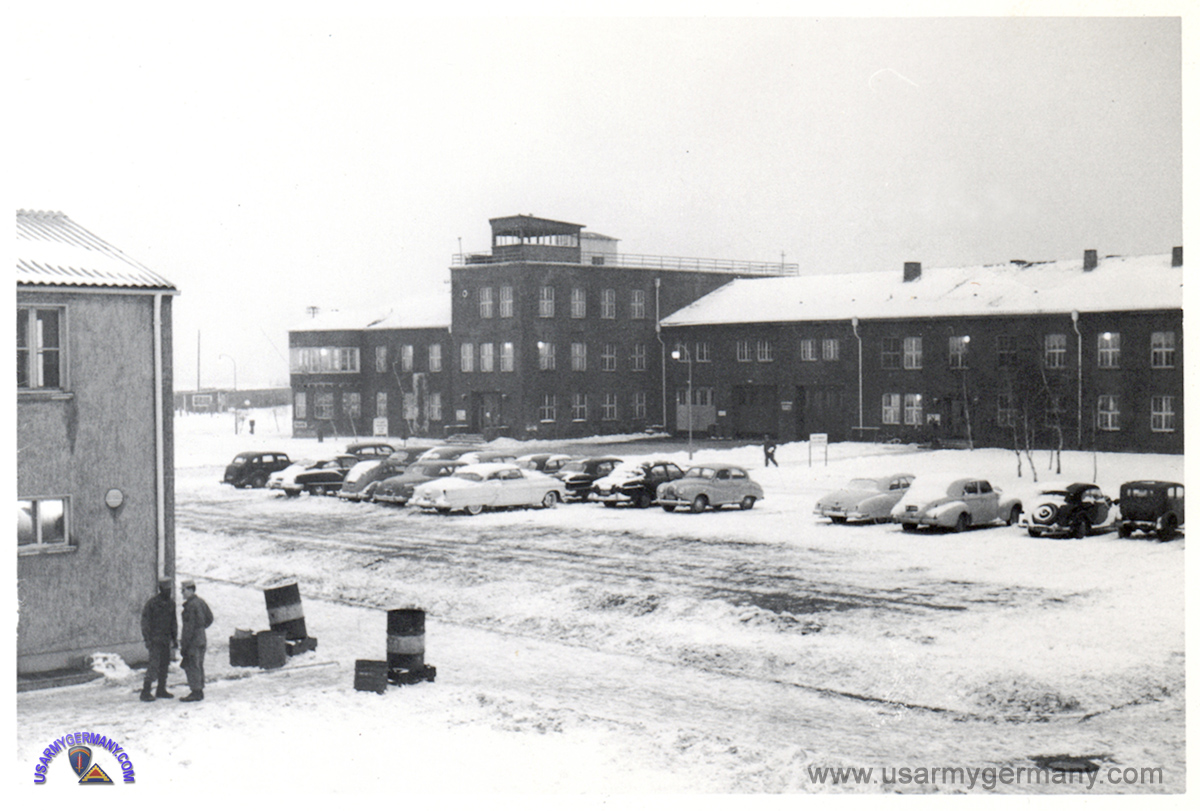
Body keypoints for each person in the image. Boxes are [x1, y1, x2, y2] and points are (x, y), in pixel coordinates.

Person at [140, 578, 178, 702]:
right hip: (155, 640)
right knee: (153, 665)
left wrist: (174, 638)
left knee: (164, 665)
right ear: (160, 589)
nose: (168, 592)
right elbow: (145, 623)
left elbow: (173, 622)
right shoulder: (152, 604)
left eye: (170, 590)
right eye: (166, 590)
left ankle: (161, 689)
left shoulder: (171, 604)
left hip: (165, 640)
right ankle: (145, 691)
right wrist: (147, 639)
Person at [179, 580, 214, 702]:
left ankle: (196, 692)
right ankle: (199, 690)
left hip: (193, 640)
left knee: (192, 665)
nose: (182, 593)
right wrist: (201, 628)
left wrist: (184, 645)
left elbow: (188, 628)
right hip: (201, 638)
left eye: (183, 590)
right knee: (198, 664)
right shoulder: (201, 602)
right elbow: (210, 618)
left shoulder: (191, 606)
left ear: (190, 590)